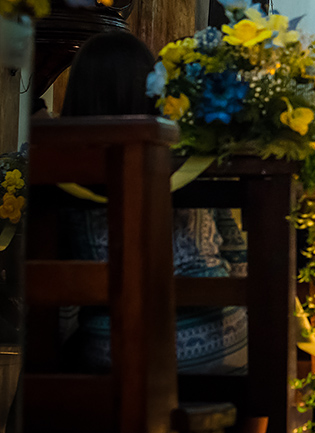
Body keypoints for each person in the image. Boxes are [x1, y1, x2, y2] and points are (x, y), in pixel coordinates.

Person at [60, 31, 248, 374]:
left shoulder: (62, 173)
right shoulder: (189, 156)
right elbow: (237, 257)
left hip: (112, 354)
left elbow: (63, 295)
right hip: (219, 345)